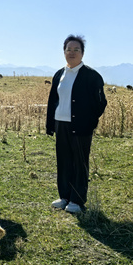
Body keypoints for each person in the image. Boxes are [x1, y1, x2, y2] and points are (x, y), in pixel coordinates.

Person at [46, 35, 107, 214]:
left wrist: (90, 122)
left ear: (82, 53)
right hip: (61, 124)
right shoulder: (59, 74)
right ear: (64, 52)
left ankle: (77, 200)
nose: (72, 53)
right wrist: (50, 124)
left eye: (76, 50)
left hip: (81, 126)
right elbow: (53, 100)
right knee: (63, 161)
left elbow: (100, 103)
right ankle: (64, 196)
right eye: (69, 49)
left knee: (79, 162)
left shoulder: (92, 76)